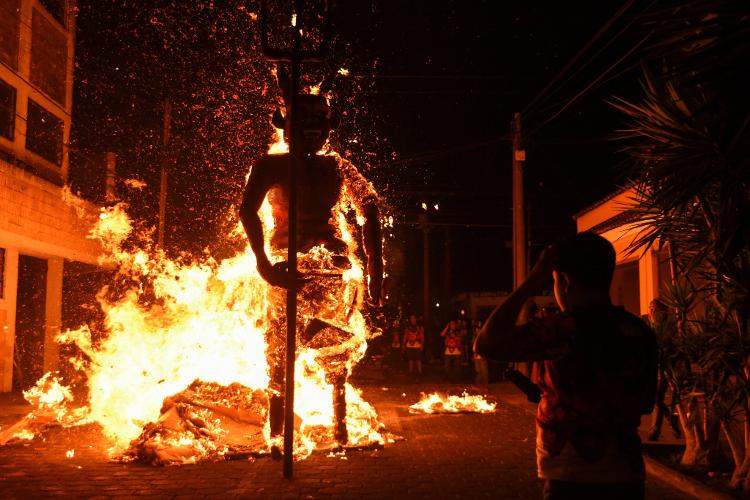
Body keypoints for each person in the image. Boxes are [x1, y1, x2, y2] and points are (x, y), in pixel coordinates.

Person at [238, 69, 383, 439]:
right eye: (305, 122)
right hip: (288, 268)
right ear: (287, 126)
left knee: (335, 354)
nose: (313, 132)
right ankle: (278, 432)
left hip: (332, 269)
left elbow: (370, 209)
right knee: (279, 353)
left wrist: (375, 270)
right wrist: (264, 265)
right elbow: (247, 211)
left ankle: (339, 428)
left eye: (320, 123)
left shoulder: (336, 165)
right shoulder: (270, 164)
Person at [475, 232, 657, 500]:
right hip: (627, 473)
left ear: (565, 281)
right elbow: (645, 402)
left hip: (572, 476)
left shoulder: (564, 329)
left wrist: (531, 283)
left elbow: (487, 343)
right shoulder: (639, 330)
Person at [645, 298, 680, 441]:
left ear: (663, 312)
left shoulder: (669, 325)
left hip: (665, 365)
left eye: (654, 308)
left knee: (657, 397)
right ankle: (671, 419)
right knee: (655, 397)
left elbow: (671, 344)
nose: (651, 311)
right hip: (651, 365)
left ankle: (655, 430)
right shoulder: (647, 323)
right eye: (650, 308)